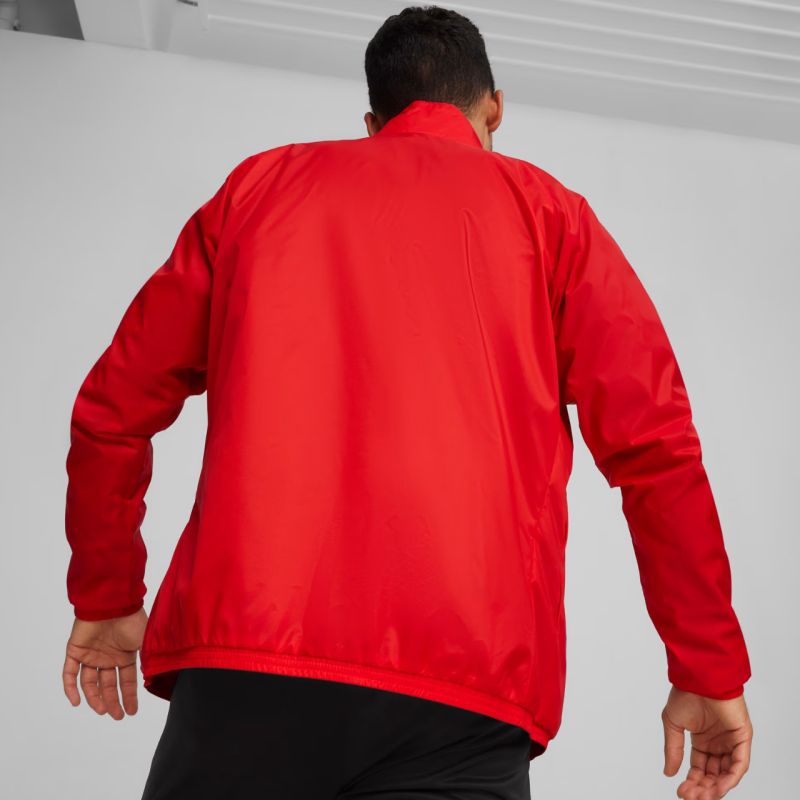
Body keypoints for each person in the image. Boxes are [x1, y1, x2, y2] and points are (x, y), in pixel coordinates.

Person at [61, 5, 753, 799]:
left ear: (372, 122)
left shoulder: (259, 189)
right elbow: (656, 451)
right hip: (464, 695)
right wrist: (706, 667)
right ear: (494, 109)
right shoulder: (552, 217)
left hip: (247, 664)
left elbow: (114, 408)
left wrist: (107, 594)